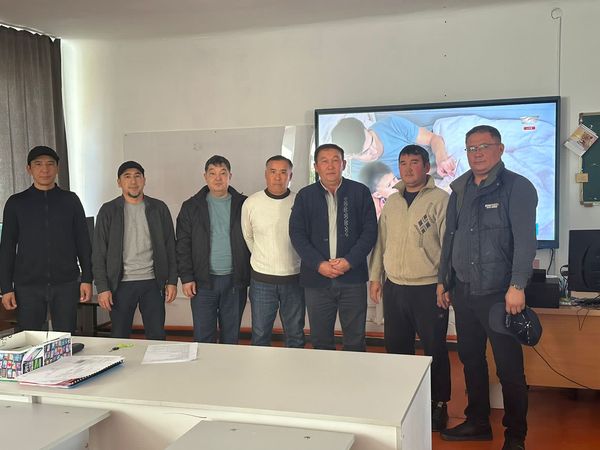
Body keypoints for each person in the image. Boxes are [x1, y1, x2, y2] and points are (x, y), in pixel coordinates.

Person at [437, 125, 537, 450]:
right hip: (464, 292)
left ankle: (516, 436)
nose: (477, 153)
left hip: (499, 295)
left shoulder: (517, 187)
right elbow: (450, 239)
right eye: (471, 148)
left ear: (500, 149)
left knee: (509, 368)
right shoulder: (460, 188)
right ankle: (478, 421)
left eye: (484, 146)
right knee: (470, 358)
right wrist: (444, 280)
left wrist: (517, 285)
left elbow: (525, 242)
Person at [369, 144, 451, 432]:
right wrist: (376, 277)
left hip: (428, 288)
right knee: (397, 348)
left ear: (426, 167)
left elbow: (448, 246)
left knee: (434, 348)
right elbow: (381, 241)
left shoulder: (441, 200)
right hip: (395, 287)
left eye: (414, 162)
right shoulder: (392, 202)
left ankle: (438, 403)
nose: (408, 168)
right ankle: (402, 401)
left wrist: (444, 282)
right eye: (403, 163)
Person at [289, 144, 377, 351]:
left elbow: (370, 232)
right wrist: (319, 264)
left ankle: (354, 373)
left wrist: (349, 261)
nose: (330, 166)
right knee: (320, 341)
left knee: (355, 340)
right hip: (316, 279)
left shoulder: (360, 192)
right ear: (316, 166)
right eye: (324, 161)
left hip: (352, 278)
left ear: (344, 164)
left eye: (335, 160)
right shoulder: (305, 195)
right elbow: (297, 234)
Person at [0, 146, 92, 332]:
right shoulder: (16, 203)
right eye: (38, 164)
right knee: (30, 339)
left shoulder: (71, 200)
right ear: (29, 169)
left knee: (65, 337)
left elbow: (83, 242)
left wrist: (87, 279)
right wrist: (6, 287)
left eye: (50, 164)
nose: (45, 169)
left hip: (66, 283)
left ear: (57, 168)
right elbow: (7, 248)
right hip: (28, 285)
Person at [92, 161, 177, 340]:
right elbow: (98, 253)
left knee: (157, 336)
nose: (133, 181)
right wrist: (102, 288)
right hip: (120, 285)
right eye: (127, 177)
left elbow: (170, 246)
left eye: (137, 176)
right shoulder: (108, 211)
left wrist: (172, 281)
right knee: (119, 337)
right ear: (119, 182)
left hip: (153, 283)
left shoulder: (159, 208)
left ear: (144, 180)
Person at [176, 155, 250, 344]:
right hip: (202, 282)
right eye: (212, 173)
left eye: (222, 173)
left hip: (234, 281)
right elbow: (182, 245)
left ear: (230, 176)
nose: (218, 178)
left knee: (230, 337)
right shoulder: (191, 207)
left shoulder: (245, 204)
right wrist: (187, 277)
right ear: (205, 177)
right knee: (203, 337)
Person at [241, 155, 305, 348]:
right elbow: (248, 236)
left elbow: (306, 238)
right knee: (260, 334)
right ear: (265, 174)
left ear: (290, 176)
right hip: (262, 280)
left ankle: (294, 367)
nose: (278, 177)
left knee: (295, 334)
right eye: (273, 171)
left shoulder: (300, 201)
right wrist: (263, 258)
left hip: (294, 279)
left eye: (283, 172)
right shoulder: (252, 203)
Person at [330, 115, 456, 179]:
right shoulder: (358, 174)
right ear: (350, 157)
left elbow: (434, 139)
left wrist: (442, 159)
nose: (374, 151)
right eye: (365, 152)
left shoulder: (391, 124)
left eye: (371, 141)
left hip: (439, 151)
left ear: (366, 129)